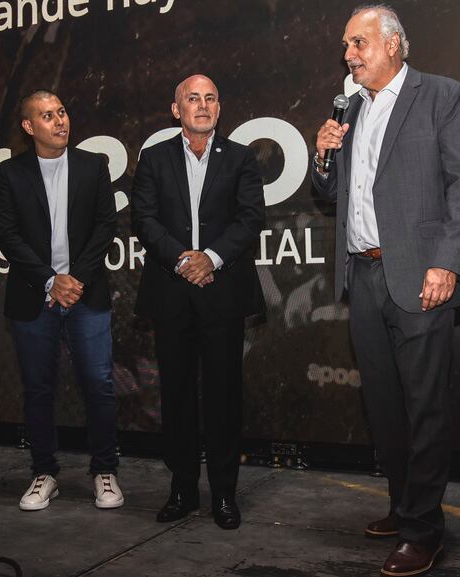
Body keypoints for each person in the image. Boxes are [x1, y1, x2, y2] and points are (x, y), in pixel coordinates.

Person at [312, 5, 460, 575]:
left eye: (357, 43)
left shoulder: (444, 95)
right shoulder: (351, 110)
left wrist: (447, 264)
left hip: (421, 277)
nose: (348, 55)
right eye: (346, 45)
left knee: (424, 407)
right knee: (383, 406)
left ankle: (424, 530)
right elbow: (330, 193)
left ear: (394, 45)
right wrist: (323, 153)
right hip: (363, 276)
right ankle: (404, 505)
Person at [131, 74, 265, 530]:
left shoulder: (242, 158)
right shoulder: (153, 158)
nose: (203, 105)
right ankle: (184, 491)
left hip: (222, 292)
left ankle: (224, 495)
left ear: (219, 108)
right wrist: (181, 260)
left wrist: (210, 258)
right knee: (178, 395)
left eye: (210, 97)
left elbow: (251, 218)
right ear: (177, 110)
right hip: (172, 294)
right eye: (193, 98)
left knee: (225, 396)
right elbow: (143, 218)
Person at [0, 89, 122, 511]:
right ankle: (44, 473)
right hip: (35, 296)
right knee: (38, 388)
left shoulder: (92, 166)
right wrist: (51, 281)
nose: (60, 121)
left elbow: (106, 226)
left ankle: (105, 471)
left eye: (62, 112)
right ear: (29, 127)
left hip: (86, 294)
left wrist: (74, 279)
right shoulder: (10, 174)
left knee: (100, 385)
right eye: (47, 116)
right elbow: (8, 237)